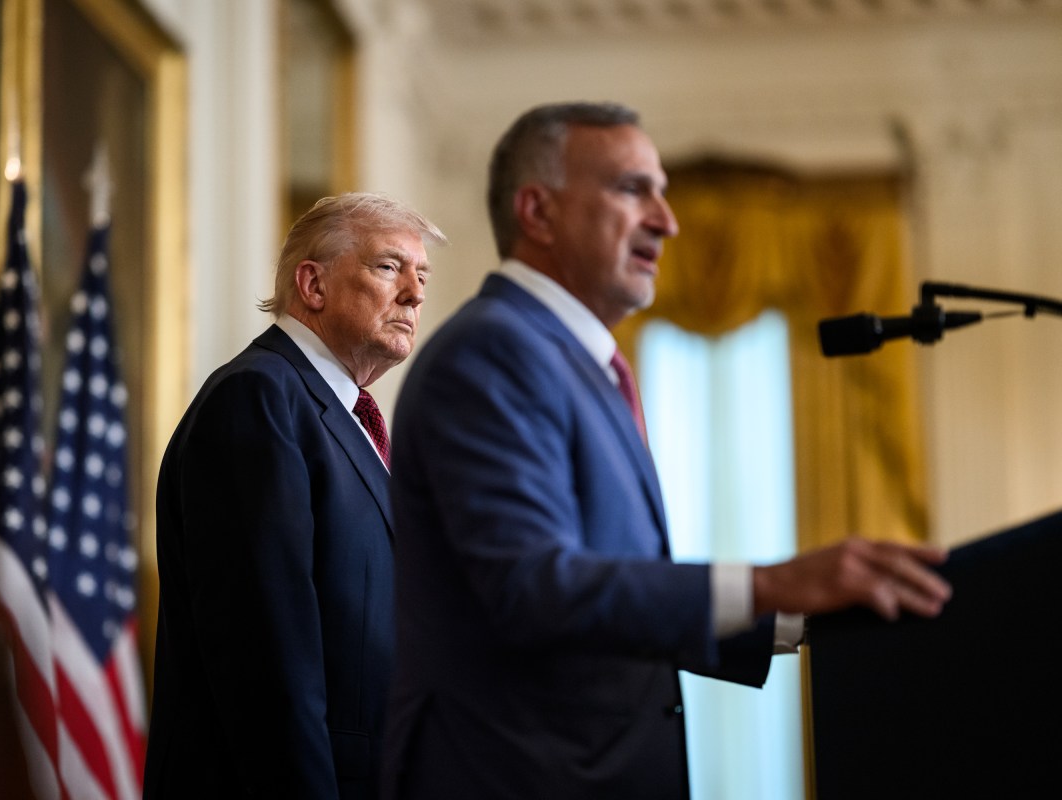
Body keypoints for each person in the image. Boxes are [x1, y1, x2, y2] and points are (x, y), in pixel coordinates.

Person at [381, 102, 951, 800]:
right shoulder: (492, 353)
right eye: (632, 189)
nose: (667, 219)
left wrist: (804, 618)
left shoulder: (580, 363)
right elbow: (535, 588)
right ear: (539, 212)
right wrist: (770, 582)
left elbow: (614, 597)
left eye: (662, 192)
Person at [144, 192, 446, 799]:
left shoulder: (343, 412)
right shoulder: (257, 400)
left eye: (421, 275)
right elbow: (266, 666)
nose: (415, 293)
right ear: (313, 284)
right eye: (389, 267)